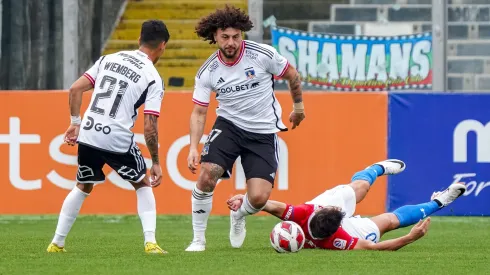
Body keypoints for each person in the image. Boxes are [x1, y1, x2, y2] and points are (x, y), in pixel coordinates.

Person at [186, 5, 305, 252]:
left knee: (260, 198)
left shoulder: (262, 54)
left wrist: (299, 107)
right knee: (208, 175)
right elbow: (199, 112)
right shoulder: (208, 71)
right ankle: (198, 239)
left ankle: (238, 215)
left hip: (262, 132)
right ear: (215, 37)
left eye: (236, 36)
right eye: (225, 37)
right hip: (228, 127)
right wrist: (193, 147)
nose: (231, 42)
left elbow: (292, 74)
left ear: (242, 34)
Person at [46, 20, 170, 254]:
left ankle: (57, 243)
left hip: (89, 132)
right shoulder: (153, 77)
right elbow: (150, 127)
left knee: (83, 185)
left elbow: (75, 89)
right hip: (115, 137)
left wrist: (75, 123)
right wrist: (155, 162)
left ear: (138, 39)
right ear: (162, 46)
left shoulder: (109, 59)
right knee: (143, 183)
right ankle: (151, 243)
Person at [227, 159, 467, 251]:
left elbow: (269, 204)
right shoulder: (340, 240)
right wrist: (409, 238)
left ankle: (378, 168)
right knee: (388, 222)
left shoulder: (305, 212)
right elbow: (375, 248)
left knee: (358, 189)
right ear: (339, 226)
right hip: (342, 230)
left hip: (321, 209)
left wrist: (243, 200)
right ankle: (439, 200)